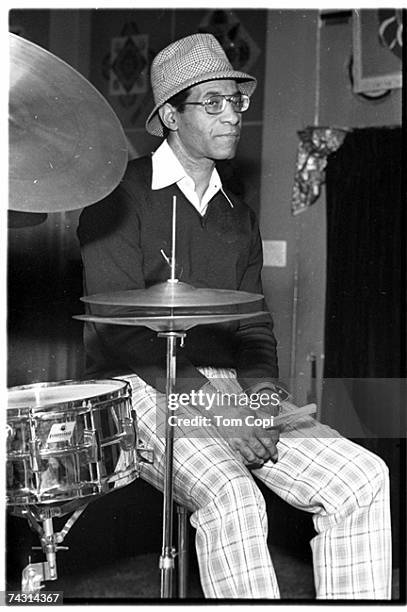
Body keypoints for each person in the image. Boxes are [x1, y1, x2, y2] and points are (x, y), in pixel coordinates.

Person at [78, 33, 392, 599]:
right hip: (139, 385)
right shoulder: (118, 197)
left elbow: (255, 329)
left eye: (237, 101)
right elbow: (121, 333)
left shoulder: (238, 217)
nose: (233, 116)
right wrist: (225, 413)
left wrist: (263, 401)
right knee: (232, 494)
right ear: (170, 115)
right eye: (213, 103)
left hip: (226, 386)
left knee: (362, 478)